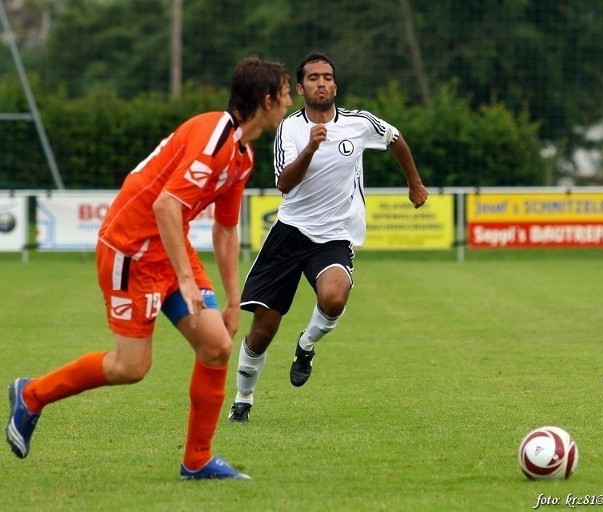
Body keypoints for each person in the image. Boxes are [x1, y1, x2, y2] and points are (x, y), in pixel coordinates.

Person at [5, 56, 292, 479]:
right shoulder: (214, 136)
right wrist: (185, 280)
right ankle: (31, 395)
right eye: (286, 92)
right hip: (129, 250)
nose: (290, 100)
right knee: (130, 367)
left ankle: (197, 460)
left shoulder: (242, 156)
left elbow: (227, 231)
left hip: (167, 246)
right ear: (266, 99)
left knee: (216, 345)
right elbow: (165, 205)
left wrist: (234, 300)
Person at [228, 51, 428, 422]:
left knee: (334, 298)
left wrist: (414, 184)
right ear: (301, 88)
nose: (321, 82)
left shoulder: (359, 123)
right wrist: (311, 148)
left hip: (335, 235)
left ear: (335, 85)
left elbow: (396, 139)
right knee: (263, 330)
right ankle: (244, 397)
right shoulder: (290, 128)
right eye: (313, 78)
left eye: (327, 77)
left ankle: (306, 346)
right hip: (290, 234)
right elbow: (284, 184)